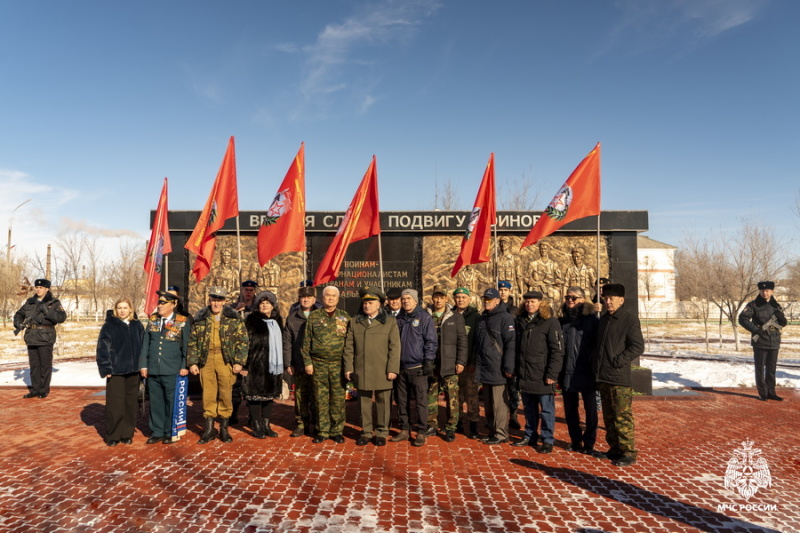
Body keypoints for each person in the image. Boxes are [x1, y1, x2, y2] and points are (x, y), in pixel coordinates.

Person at [188, 287, 248, 444]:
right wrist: (193, 362)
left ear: (224, 301)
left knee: (225, 393)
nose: (216, 303)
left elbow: (242, 341)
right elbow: (193, 341)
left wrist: (239, 362)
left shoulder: (233, 318)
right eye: (213, 300)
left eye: (219, 300)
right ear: (209, 300)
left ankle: (224, 429)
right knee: (208, 394)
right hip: (206, 359)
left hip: (225, 359)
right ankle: (208, 430)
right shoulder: (201, 317)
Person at [593, 283, 644, 467]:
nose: (608, 302)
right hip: (603, 376)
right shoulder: (604, 319)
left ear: (621, 300)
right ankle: (614, 448)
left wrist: (618, 361)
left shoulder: (629, 319)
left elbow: (637, 346)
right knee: (608, 416)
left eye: (611, 299)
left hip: (619, 377)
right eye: (605, 298)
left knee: (622, 416)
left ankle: (628, 451)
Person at [343, 286, 400, 447]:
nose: (367, 305)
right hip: (362, 370)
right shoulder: (355, 322)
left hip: (383, 369)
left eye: (371, 302)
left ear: (379, 304)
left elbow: (395, 347)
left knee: (383, 403)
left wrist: (392, 369)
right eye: (365, 302)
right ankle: (366, 432)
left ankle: (382, 432)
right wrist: (349, 368)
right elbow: (349, 347)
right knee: (364, 403)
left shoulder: (389, 322)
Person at [513, 291, 564, 453]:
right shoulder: (520, 321)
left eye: (533, 301)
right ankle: (530, 435)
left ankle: (547, 439)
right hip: (525, 372)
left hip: (542, 374)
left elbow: (557, 351)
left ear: (540, 303)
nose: (529, 304)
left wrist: (552, 374)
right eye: (527, 301)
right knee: (529, 408)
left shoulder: (550, 322)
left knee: (546, 409)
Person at [301, 285, 351, 444]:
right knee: (320, 399)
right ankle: (322, 430)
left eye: (333, 296)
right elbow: (306, 341)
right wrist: (308, 362)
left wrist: (349, 366)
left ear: (338, 298)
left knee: (337, 399)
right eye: (327, 295)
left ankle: (337, 430)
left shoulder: (345, 317)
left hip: (338, 365)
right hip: (319, 364)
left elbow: (350, 343)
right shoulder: (314, 317)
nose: (330, 298)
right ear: (322, 298)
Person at [139, 291, 190, 444]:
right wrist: (144, 365)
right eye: (159, 303)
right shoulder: (153, 320)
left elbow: (186, 346)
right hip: (154, 368)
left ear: (173, 305)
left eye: (163, 303)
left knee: (170, 401)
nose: (159, 305)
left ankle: (169, 431)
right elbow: (146, 344)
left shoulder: (182, 321)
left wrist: (184, 365)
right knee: (155, 401)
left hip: (172, 368)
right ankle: (157, 431)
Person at [95, 298, 144, 446]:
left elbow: (143, 346)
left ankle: (126, 433)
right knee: (115, 404)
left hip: (134, 371)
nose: (122, 310)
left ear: (131, 309)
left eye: (125, 307)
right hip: (116, 371)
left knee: (130, 404)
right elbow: (102, 348)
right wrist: (106, 367)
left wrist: (143, 366)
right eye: (120, 308)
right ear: (116, 310)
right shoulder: (109, 326)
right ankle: (113, 435)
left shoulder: (137, 325)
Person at [393, 288, 438, 446]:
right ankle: (404, 429)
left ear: (415, 300)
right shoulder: (399, 318)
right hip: (401, 367)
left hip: (418, 367)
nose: (405, 301)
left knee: (421, 401)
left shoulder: (424, 318)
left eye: (408, 298)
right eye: (403, 298)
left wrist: (428, 361)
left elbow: (431, 341)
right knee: (402, 401)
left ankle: (421, 431)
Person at [558, 286, 599, 454]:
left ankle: (589, 442)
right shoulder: (562, 321)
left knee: (590, 410)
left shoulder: (592, 321)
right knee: (570, 410)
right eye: (567, 297)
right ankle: (575, 441)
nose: (569, 300)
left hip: (586, 371)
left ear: (582, 300)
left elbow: (597, 347)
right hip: (567, 371)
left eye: (573, 297)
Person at [241, 291, 287, 439]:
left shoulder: (277, 320)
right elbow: (245, 343)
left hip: (273, 366)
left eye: (268, 303)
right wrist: (244, 365)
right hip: (255, 364)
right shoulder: (252, 320)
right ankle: (257, 425)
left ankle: (266, 425)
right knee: (255, 397)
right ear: (258, 305)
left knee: (268, 396)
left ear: (273, 305)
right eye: (262, 303)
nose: (265, 305)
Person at [474, 288, 516, 445]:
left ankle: (501, 433)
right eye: (485, 299)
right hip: (485, 366)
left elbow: (511, 344)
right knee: (488, 402)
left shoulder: (506, 318)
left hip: (498, 367)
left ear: (498, 301)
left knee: (499, 403)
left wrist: (509, 367)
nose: (487, 302)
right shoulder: (483, 318)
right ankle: (493, 430)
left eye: (490, 300)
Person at [426, 286, 467, 442]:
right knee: (431, 395)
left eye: (441, 297)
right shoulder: (426, 316)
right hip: (432, 363)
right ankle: (432, 424)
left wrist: (461, 361)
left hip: (450, 363)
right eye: (436, 297)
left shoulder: (455, 317)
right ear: (432, 298)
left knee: (452, 398)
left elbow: (462, 341)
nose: (438, 300)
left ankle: (451, 428)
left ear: (446, 299)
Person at [14, 278, 66, 399]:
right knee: (34, 365)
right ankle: (35, 389)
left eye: (41, 287)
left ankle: (44, 389)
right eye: (37, 287)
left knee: (45, 364)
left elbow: (61, 317)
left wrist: (47, 311)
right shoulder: (30, 302)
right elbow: (19, 314)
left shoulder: (54, 302)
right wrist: (18, 323)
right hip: (31, 336)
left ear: (47, 288)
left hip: (45, 336)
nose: (38, 289)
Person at [739, 281, 787, 402]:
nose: (765, 293)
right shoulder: (753, 305)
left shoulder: (776, 305)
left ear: (772, 291)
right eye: (762, 291)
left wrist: (782, 319)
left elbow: (783, 323)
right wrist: (756, 330)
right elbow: (742, 319)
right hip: (760, 341)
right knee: (760, 368)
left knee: (771, 369)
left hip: (774, 341)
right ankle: (763, 393)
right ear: (760, 291)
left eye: (767, 291)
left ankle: (772, 392)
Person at [284, 284, 321, 437]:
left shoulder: (321, 315)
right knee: (300, 395)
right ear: (299, 299)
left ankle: (318, 423)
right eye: (302, 297)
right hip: (299, 363)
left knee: (318, 394)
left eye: (308, 297)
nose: (305, 300)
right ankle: (301, 423)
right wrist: (288, 363)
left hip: (318, 362)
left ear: (314, 299)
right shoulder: (293, 317)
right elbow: (287, 342)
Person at [453, 287, 481, 439]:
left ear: (469, 299)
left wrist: (473, 362)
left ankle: (474, 424)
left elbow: (478, 342)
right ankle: (458, 423)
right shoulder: (449, 315)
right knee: (456, 396)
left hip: (470, 364)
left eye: (464, 297)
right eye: (458, 297)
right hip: (454, 364)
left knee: (471, 396)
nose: (461, 300)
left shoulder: (476, 317)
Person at [498, 280, 520, 430]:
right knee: (499, 388)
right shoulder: (495, 307)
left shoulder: (516, 310)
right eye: (500, 289)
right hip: (497, 352)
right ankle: (499, 417)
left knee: (513, 388)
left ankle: (513, 415)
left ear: (509, 291)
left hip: (511, 352)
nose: (503, 292)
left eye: (505, 290)